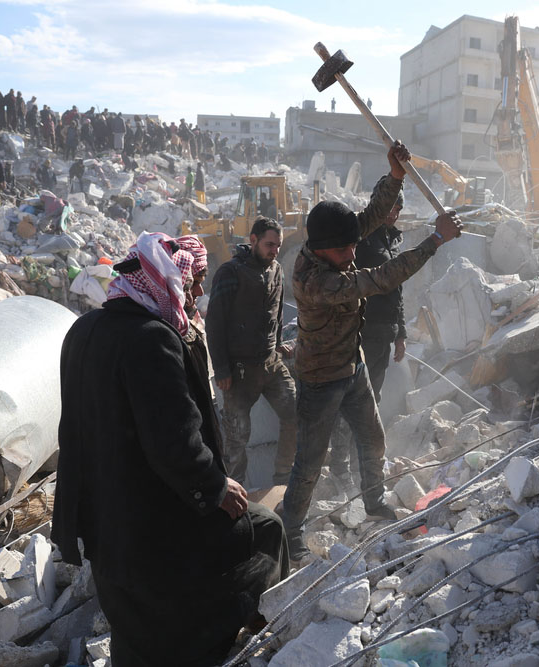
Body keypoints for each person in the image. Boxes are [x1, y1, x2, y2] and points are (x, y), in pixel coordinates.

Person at [53, 232, 287, 666]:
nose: (197, 292)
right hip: (148, 517)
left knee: (133, 629)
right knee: (265, 528)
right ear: (164, 279)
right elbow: (173, 439)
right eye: (194, 280)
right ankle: (236, 634)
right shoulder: (151, 338)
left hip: (98, 515)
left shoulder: (84, 328)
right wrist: (215, 486)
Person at [279, 141, 463, 561]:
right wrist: (435, 239)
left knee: (373, 439)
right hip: (320, 378)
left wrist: (395, 176)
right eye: (344, 251)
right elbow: (381, 278)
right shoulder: (317, 281)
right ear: (321, 248)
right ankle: (291, 532)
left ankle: (374, 500)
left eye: (351, 247)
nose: (350, 255)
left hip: (352, 365)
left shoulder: (333, 243)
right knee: (309, 463)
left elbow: (371, 217)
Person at [327, 188, 411, 486]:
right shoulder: (359, 239)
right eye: (390, 208)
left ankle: (360, 461)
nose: (394, 214)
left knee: (371, 399)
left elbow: (396, 290)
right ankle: (340, 466)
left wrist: (400, 333)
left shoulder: (392, 239)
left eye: (398, 210)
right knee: (351, 398)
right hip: (361, 331)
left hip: (383, 332)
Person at [206, 217, 297, 485]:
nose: (275, 251)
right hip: (239, 372)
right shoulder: (230, 273)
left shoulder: (276, 269)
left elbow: (277, 310)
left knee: (294, 413)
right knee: (236, 440)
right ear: (253, 240)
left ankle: (282, 478)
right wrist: (221, 368)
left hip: (270, 363)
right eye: (270, 244)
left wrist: (278, 341)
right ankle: (236, 495)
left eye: (278, 246)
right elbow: (215, 323)